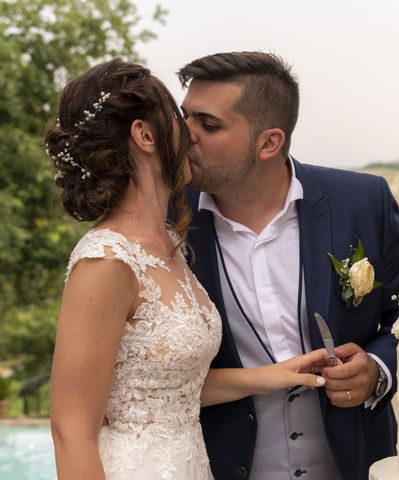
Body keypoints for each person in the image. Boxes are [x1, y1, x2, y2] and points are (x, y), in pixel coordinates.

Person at [47, 58, 330, 480]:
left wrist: (270, 376)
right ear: (144, 135)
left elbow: (167, 389)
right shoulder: (106, 261)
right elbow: (71, 431)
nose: (190, 133)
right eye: (180, 117)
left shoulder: (173, 242)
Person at [178, 51, 399, 480]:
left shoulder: (362, 201)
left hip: (357, 464)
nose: (184, 137)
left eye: (208, 125)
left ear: (269, 142)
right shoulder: (164, 221)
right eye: (185, 119)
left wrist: (377, 370)